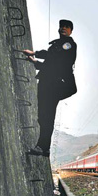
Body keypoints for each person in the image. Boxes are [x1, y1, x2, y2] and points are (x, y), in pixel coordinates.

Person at [23, 19, 77, 156]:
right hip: (49, 82)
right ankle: (45, 148)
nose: (63, 28)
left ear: (71, 31)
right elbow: (50, 66)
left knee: (46, 116)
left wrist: (34, 53)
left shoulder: (68, 45)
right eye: (61, 26)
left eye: (66, 27)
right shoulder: (58, 45)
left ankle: (42, 146)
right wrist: (35, 61)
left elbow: (53, 57)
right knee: (43, 117)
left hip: (54, 85)